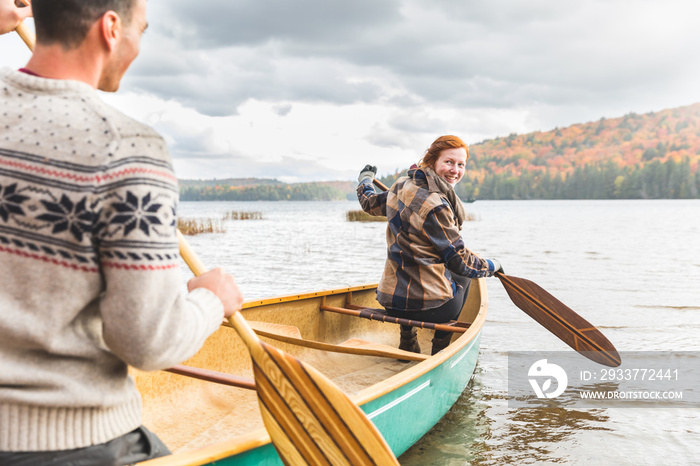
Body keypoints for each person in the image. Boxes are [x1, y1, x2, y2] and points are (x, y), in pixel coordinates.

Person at [0, 0, 243, 464]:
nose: (138, 46)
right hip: (72, 441)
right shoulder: (130, 148)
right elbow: (147, 342)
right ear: (111, 28)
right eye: (142, 31)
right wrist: (211, 298)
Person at [357, 135, 502, 356]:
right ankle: (440, 350)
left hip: (391, 301)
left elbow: (369, 203)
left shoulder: (401, 186)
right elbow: (461, 263)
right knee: (464, 274)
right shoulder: (438, 205)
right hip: (432, 310)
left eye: (461, 164)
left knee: (437, 265)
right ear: (432, 161)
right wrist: (493, 265)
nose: (455, 170)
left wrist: (365, 179)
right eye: (449, 162)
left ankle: (408, 339)